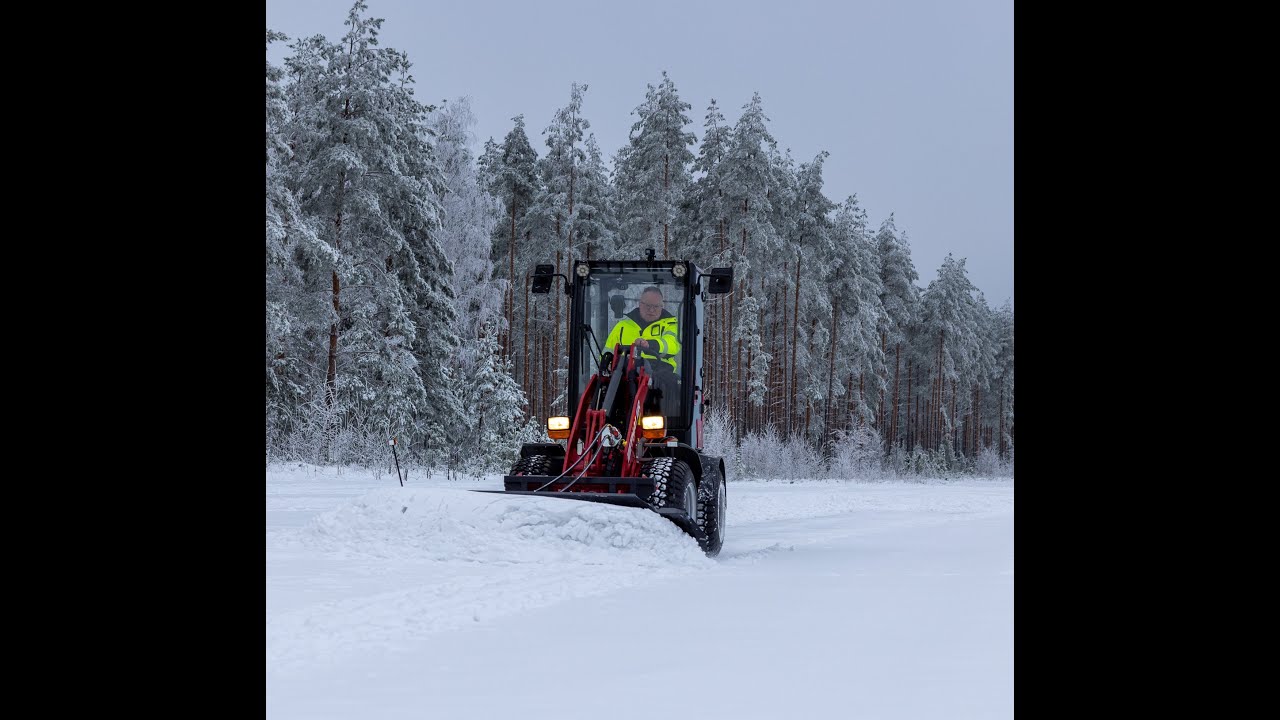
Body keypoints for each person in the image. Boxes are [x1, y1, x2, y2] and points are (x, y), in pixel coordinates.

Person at [603, 286, 681, 373]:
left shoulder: (670, 325)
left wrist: (649, 345)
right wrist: (609, 363)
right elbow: (607, 352)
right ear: (640, 304)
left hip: (661, 375)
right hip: (624, 375)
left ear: (661, 306)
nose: (651, 310)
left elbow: (672, 345)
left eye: (656, 306)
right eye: (648, 305)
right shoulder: (622, 326)